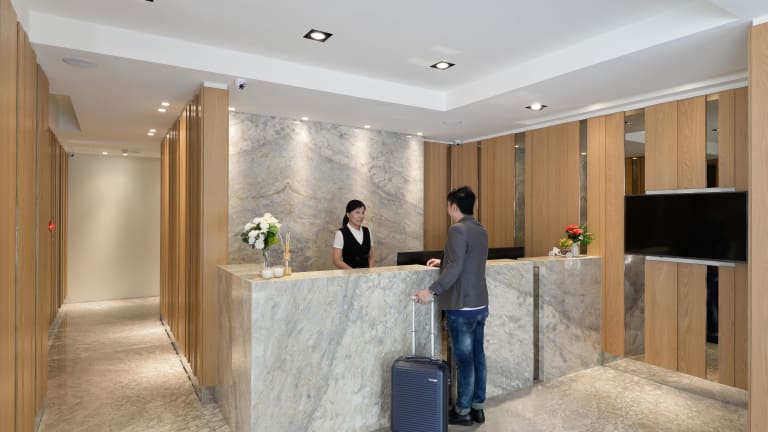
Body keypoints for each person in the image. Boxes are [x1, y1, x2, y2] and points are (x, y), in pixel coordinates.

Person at [415, 186, 488, 426]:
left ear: (453, 207)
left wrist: (431, 291)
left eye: (448, 205)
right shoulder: (480, 229)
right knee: (478, 356)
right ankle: (477, 407)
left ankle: (463, 411)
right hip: (479, 304)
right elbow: (466, 260)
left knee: (465, 361)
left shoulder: (457, 229)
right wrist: (444, 261)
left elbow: (456, 268)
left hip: (462, 306)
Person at [332, 199, 375, 269]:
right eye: (357, 212)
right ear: (348, 214)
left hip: (367, 274)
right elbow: (337, 260)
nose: (361, 216)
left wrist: (370, 271)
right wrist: (354, 272)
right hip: (349, 274)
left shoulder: (367, 231)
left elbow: (371, 256)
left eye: (363, 213)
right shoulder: (341, 233)